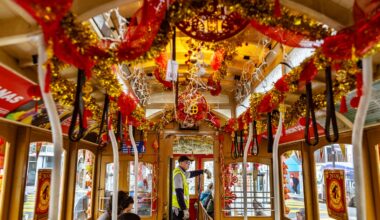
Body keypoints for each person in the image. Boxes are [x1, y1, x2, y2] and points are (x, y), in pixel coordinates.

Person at [172, 155, 212, 220]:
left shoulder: (182, 173)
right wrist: (184, 209)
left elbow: (192, 173)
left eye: (189, 163)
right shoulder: (178, 174)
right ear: (180, 163)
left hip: (180, 208)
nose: (188, 164)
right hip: (178, 209)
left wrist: (204, 171)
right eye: (187, 162)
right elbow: (179, 193)